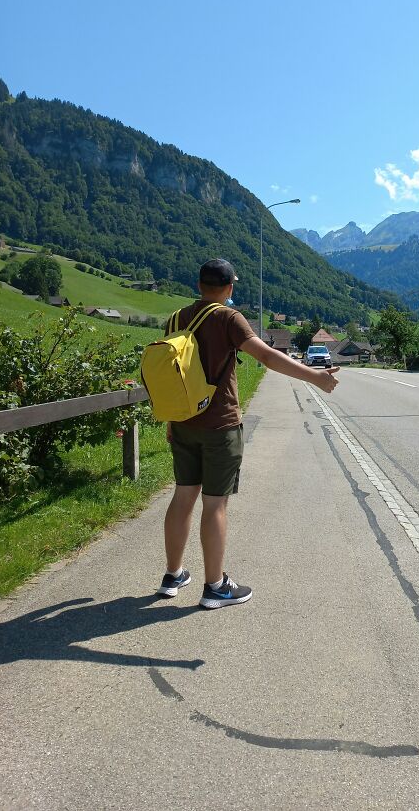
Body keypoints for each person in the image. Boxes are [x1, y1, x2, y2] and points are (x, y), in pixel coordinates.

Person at [157, 258, 339, 609]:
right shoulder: (228, 317)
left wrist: (170, 419)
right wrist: (315, 377)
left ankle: (173, 575)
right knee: (215, 504)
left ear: (199, 285)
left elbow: (171, 376)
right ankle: (215, 586)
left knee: (182, 497)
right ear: (229, 288)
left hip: (182, 424)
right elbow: (267, 357)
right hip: (220, 426)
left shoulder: (176, 318)